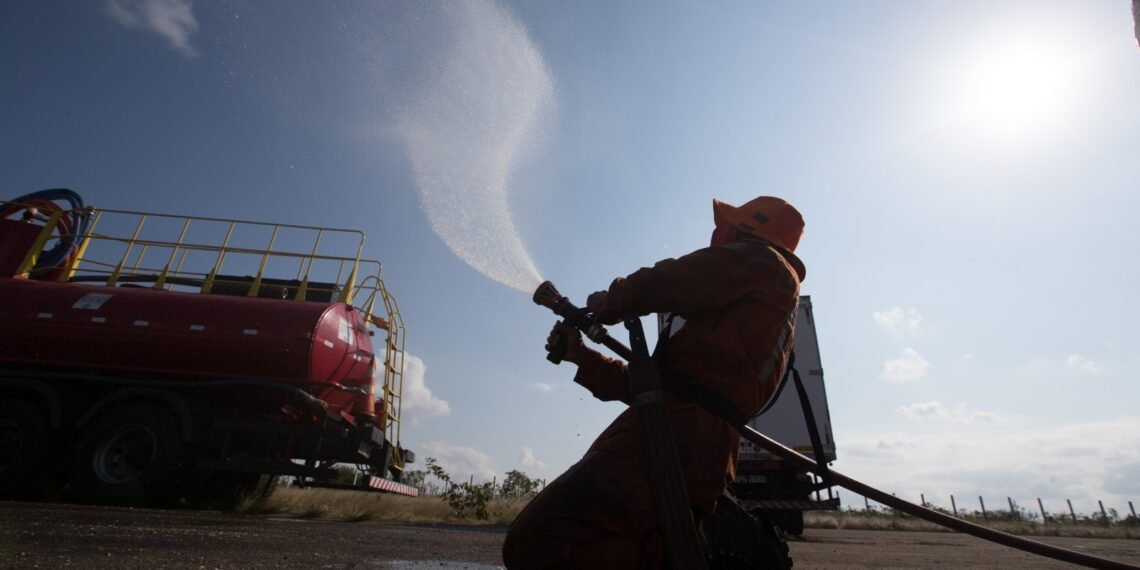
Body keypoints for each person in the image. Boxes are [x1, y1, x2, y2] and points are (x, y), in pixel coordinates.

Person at [502, 196, 806, 568]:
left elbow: (675, 279)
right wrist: (580, 356)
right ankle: (712, 542)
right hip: (677, 432)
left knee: (539, 539)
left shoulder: (764, 262)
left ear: (751, 229)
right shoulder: (728, 329)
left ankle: (719, 540)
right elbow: (651, 390)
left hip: (676, 438)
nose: (720, 236)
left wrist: (611, 301)